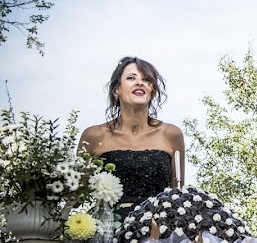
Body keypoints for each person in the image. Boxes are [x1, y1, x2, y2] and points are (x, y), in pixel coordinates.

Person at [78, 57, 185, 223]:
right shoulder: (94, 136)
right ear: (116, 90)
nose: (140, 83)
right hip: (110, 231)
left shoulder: (171, 134)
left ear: (153, 90)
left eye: (146, 79)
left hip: (159, 235)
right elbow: (76, 196)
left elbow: (178, 194)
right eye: (131, 78)